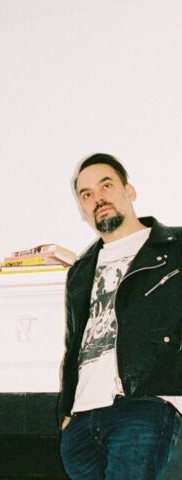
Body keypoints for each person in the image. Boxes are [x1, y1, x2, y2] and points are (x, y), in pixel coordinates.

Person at [59, 153, 182, 479]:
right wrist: (66, 412)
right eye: (86, 194)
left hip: (143, 406)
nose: (97, 198)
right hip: (82, 422)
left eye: (106, 185)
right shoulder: (79, 271)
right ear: (82, 209)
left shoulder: (175, 248)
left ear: (129, 190)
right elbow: (74, 345)